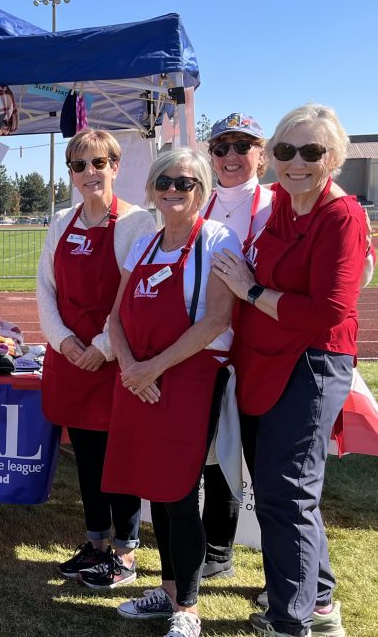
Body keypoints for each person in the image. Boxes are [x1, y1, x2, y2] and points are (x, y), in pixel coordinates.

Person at [212, 104, 366, 637]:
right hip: (262, 361)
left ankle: (291, 620)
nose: (296, 162)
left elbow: (329, 309)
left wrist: (252, 291)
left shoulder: (341, 215)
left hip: (311, 363)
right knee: (284, 490)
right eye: (285, 151)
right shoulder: (281, 205)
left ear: (334, 159)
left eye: (311, 151)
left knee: (286, 493)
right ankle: (317, 602)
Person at [103, 149, 240, 637]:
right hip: (138, 379)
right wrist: (130, 368)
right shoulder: (142, 243)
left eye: (185, 181)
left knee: (180, 491)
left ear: (201, 189)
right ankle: (166, 590)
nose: (173, 189)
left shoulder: (219, 238)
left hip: (187, 379)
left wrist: (152, 368)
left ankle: (189, 606)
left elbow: (217, 320)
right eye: (164, 180)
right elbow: (115, 316)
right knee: (154, 488)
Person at [36, 130, 155, 589]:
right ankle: (97, 543)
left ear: (115, 167)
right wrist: (66, 342)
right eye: (80, 165)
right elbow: (45, 288)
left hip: (114, 363)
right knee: (87, 458)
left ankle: (125, 553)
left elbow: (134, 298)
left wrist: (101, 349)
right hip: (70, 360)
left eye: (99, 163)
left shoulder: (137, 223)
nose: (90, 173)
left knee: (117, 459)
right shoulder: (61, 221)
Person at [198, 112, 272, 580]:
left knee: (268, 468)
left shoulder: (278, 205)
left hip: (264, 357)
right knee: (215, 459)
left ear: (261, 156)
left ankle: (282, 572)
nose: (230, 156)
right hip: (210, 354)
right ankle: (217, 551)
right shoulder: (197, 205)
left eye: (242, 146)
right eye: (221, 147)